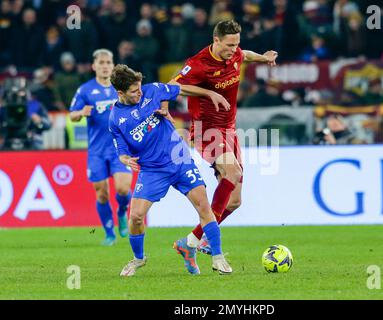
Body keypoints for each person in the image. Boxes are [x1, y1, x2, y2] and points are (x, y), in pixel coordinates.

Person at [108, 64, 232, 276]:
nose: (139, 93)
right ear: (120, 93)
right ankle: (138, 259)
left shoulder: (152, 90)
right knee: (136, 216)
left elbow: (181, 87)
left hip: (179, 159)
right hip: (152, 170)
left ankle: (218, 258)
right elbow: (121, 148)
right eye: (134, 91)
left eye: (139, 88)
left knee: (204, 206)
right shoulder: (115, 119)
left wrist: (209, 92)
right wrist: (124, 158)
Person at [171, 20, 278, 255]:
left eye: (236, 44)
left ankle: (189, 242)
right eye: (229, 44)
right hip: (206, 129)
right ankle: (208, 239)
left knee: (235, 202)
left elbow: (244, 55)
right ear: (216, 40)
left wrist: (263, 57)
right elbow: (171, 86)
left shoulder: (235, 53)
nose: (234, 49)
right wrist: (207, 91)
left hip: (229, 129)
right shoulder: (198, 64)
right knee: (234, 172)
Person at [69, 49, 132, 246]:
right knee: (102, 193)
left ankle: (122, 212)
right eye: (101, 62)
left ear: (113, 65)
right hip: (96, 150)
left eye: (108, 62)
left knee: (123, 188)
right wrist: (81, 112)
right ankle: (109, 233)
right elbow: (71, 115)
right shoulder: (85, 90)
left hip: (120, 148)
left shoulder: (121, 88)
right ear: (94, 66)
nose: (105, 66)